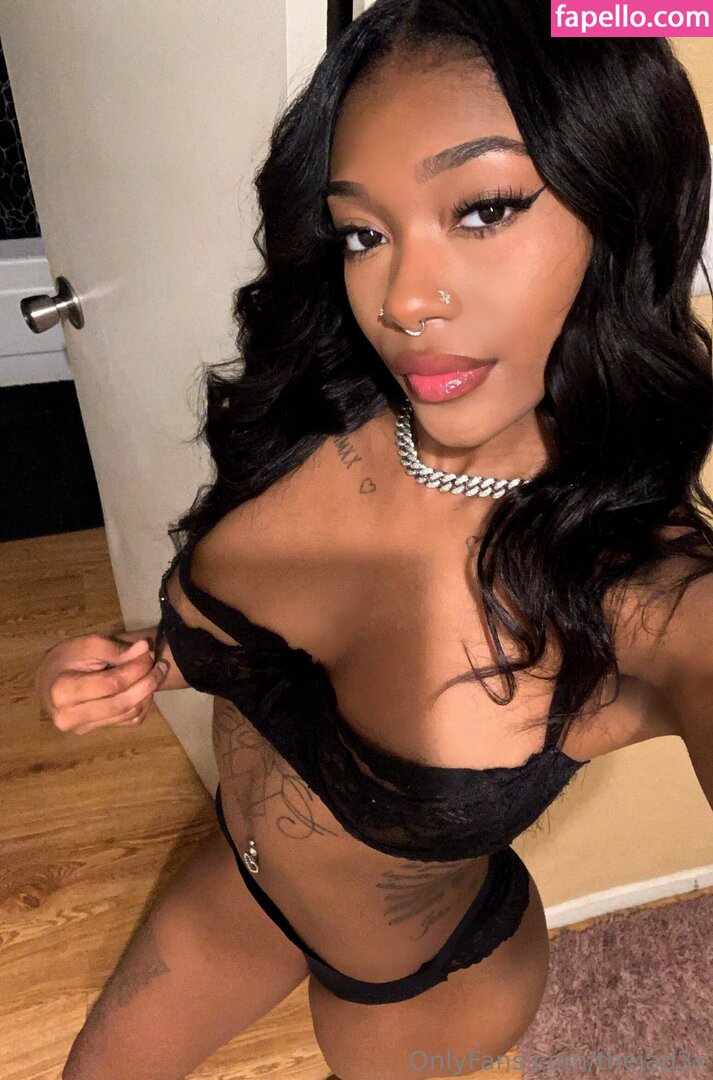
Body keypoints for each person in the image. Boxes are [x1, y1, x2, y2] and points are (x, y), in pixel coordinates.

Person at [35, 1, 713, 1077]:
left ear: (620, 209)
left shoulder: (647, 589)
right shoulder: (320, 411)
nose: (402, 301)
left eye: (483, 209)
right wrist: (146, 660)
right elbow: (260, 650)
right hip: (239, 889)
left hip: (420, 986)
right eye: (364, 232)